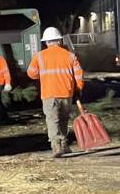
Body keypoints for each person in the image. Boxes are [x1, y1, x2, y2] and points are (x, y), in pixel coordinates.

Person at [27, 27, 85, 158]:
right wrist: (78, 89)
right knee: (63, 120)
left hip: (49, 93)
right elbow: (79, 75)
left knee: (53, 120)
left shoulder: (39, 56)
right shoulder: (70, 56)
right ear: (59, 40)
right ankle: (64, 145)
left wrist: (42, 75)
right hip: (66, 93)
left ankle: (56, 146)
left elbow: (31, 73)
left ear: (46, 42)